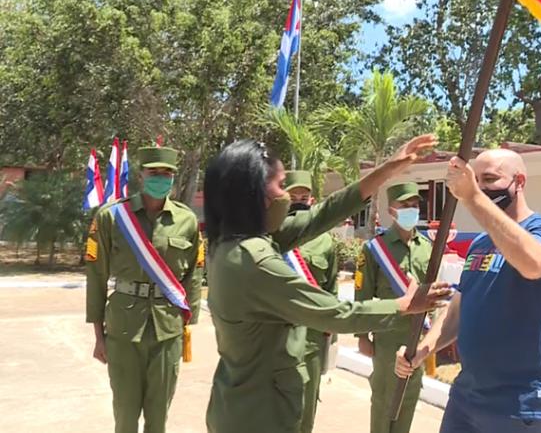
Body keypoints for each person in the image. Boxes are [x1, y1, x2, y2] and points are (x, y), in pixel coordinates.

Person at [203, 136, 453, 433]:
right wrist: (404, 306)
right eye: (281, 186)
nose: (286, 197)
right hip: (263, 413)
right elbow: (334, 313)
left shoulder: (230, 244)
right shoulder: (254, 261)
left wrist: (388, 169)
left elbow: (320, 216)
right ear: (255, 194)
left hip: (242, 402)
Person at [395, 149, 541, 433]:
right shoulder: (480, 244)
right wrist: (424, 349)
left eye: (489, 179)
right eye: (476, 180)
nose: (481, 187)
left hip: (516, 403)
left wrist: (473, 197)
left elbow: (535, 265)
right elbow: (459, 309)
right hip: (466, 395)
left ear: (519, 181)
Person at [85, 146, 204, 433]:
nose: (160, 178)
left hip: (167, 329)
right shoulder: (112, 217)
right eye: (154, 172)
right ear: (140, 175)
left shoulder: (186, 220)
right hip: (124, 327)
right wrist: (99, 337)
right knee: (125, 415)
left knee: (158, 415)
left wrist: (186, 326)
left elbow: (194, 275)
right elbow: (96, 276)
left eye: (166, 174)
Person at [355, 182, 432, 433]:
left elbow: (433, 295)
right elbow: (362, 295)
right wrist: (362, 336)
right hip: (387, 337)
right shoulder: (375, 248)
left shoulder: (427, 248)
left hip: (417, 337)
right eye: (405, 205)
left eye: (415, 205)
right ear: (392, 211)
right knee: (384, 400)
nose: (411, 209)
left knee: (409, 397)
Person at [284, 170, 339, 433]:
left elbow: (330, 290)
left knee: (306, 412)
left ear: (312, 201)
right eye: (292, 197)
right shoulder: (268, 233)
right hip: (274, 336)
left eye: (303, 197)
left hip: (312, 339)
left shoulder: (325, 241)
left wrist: (331, 336)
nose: (297, 202)